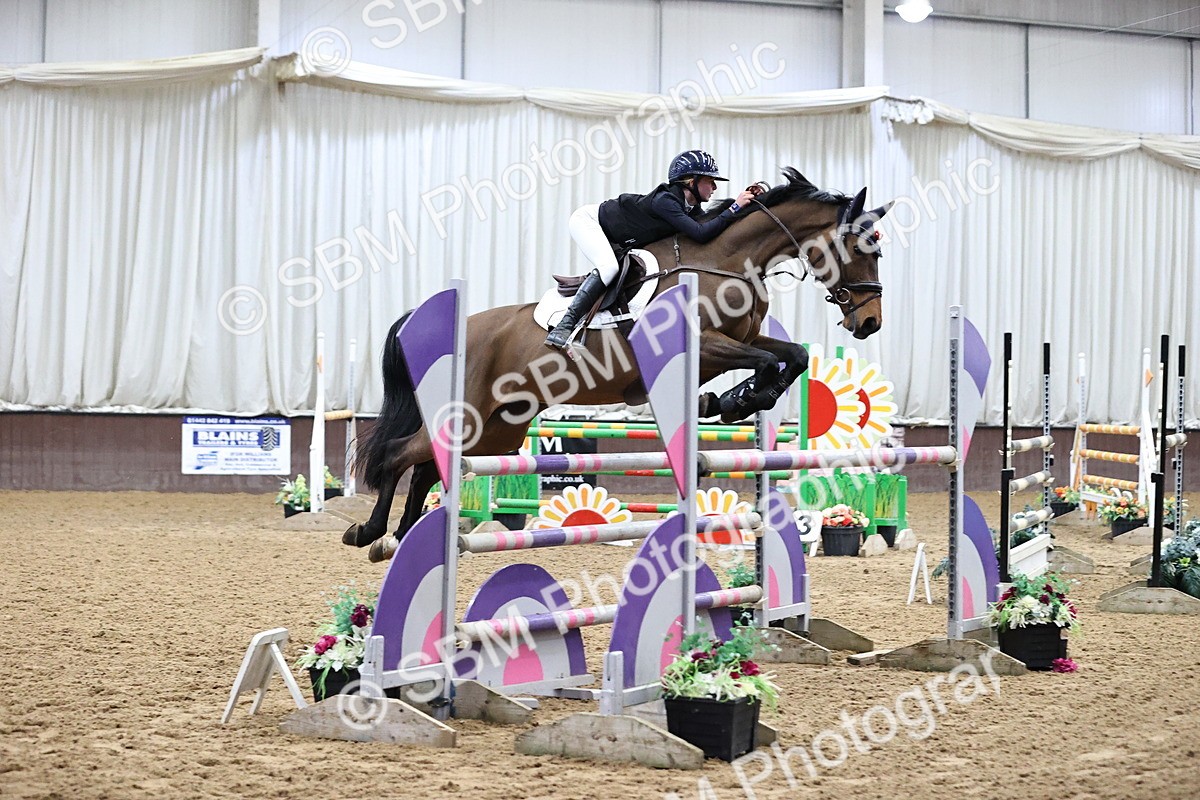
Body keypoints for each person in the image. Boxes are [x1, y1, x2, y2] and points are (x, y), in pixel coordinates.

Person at [544, 149, 762, 351]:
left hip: (620, 236)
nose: (714, 187)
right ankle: (564, 326)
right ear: (691, 181)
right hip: (590, 222)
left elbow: (710, 227)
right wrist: (735, 206)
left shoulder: (690, 207)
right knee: (609, 268)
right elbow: (701, 233)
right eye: (710, 181)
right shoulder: (665, 201)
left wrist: (747, 204)